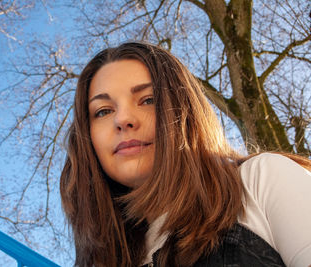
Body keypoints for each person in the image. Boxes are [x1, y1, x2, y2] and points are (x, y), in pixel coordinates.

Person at [60, 42, 311, 267]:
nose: (123, 119)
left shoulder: (261, 181)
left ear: (184, 112)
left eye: (148, 99)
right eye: (103, 111)